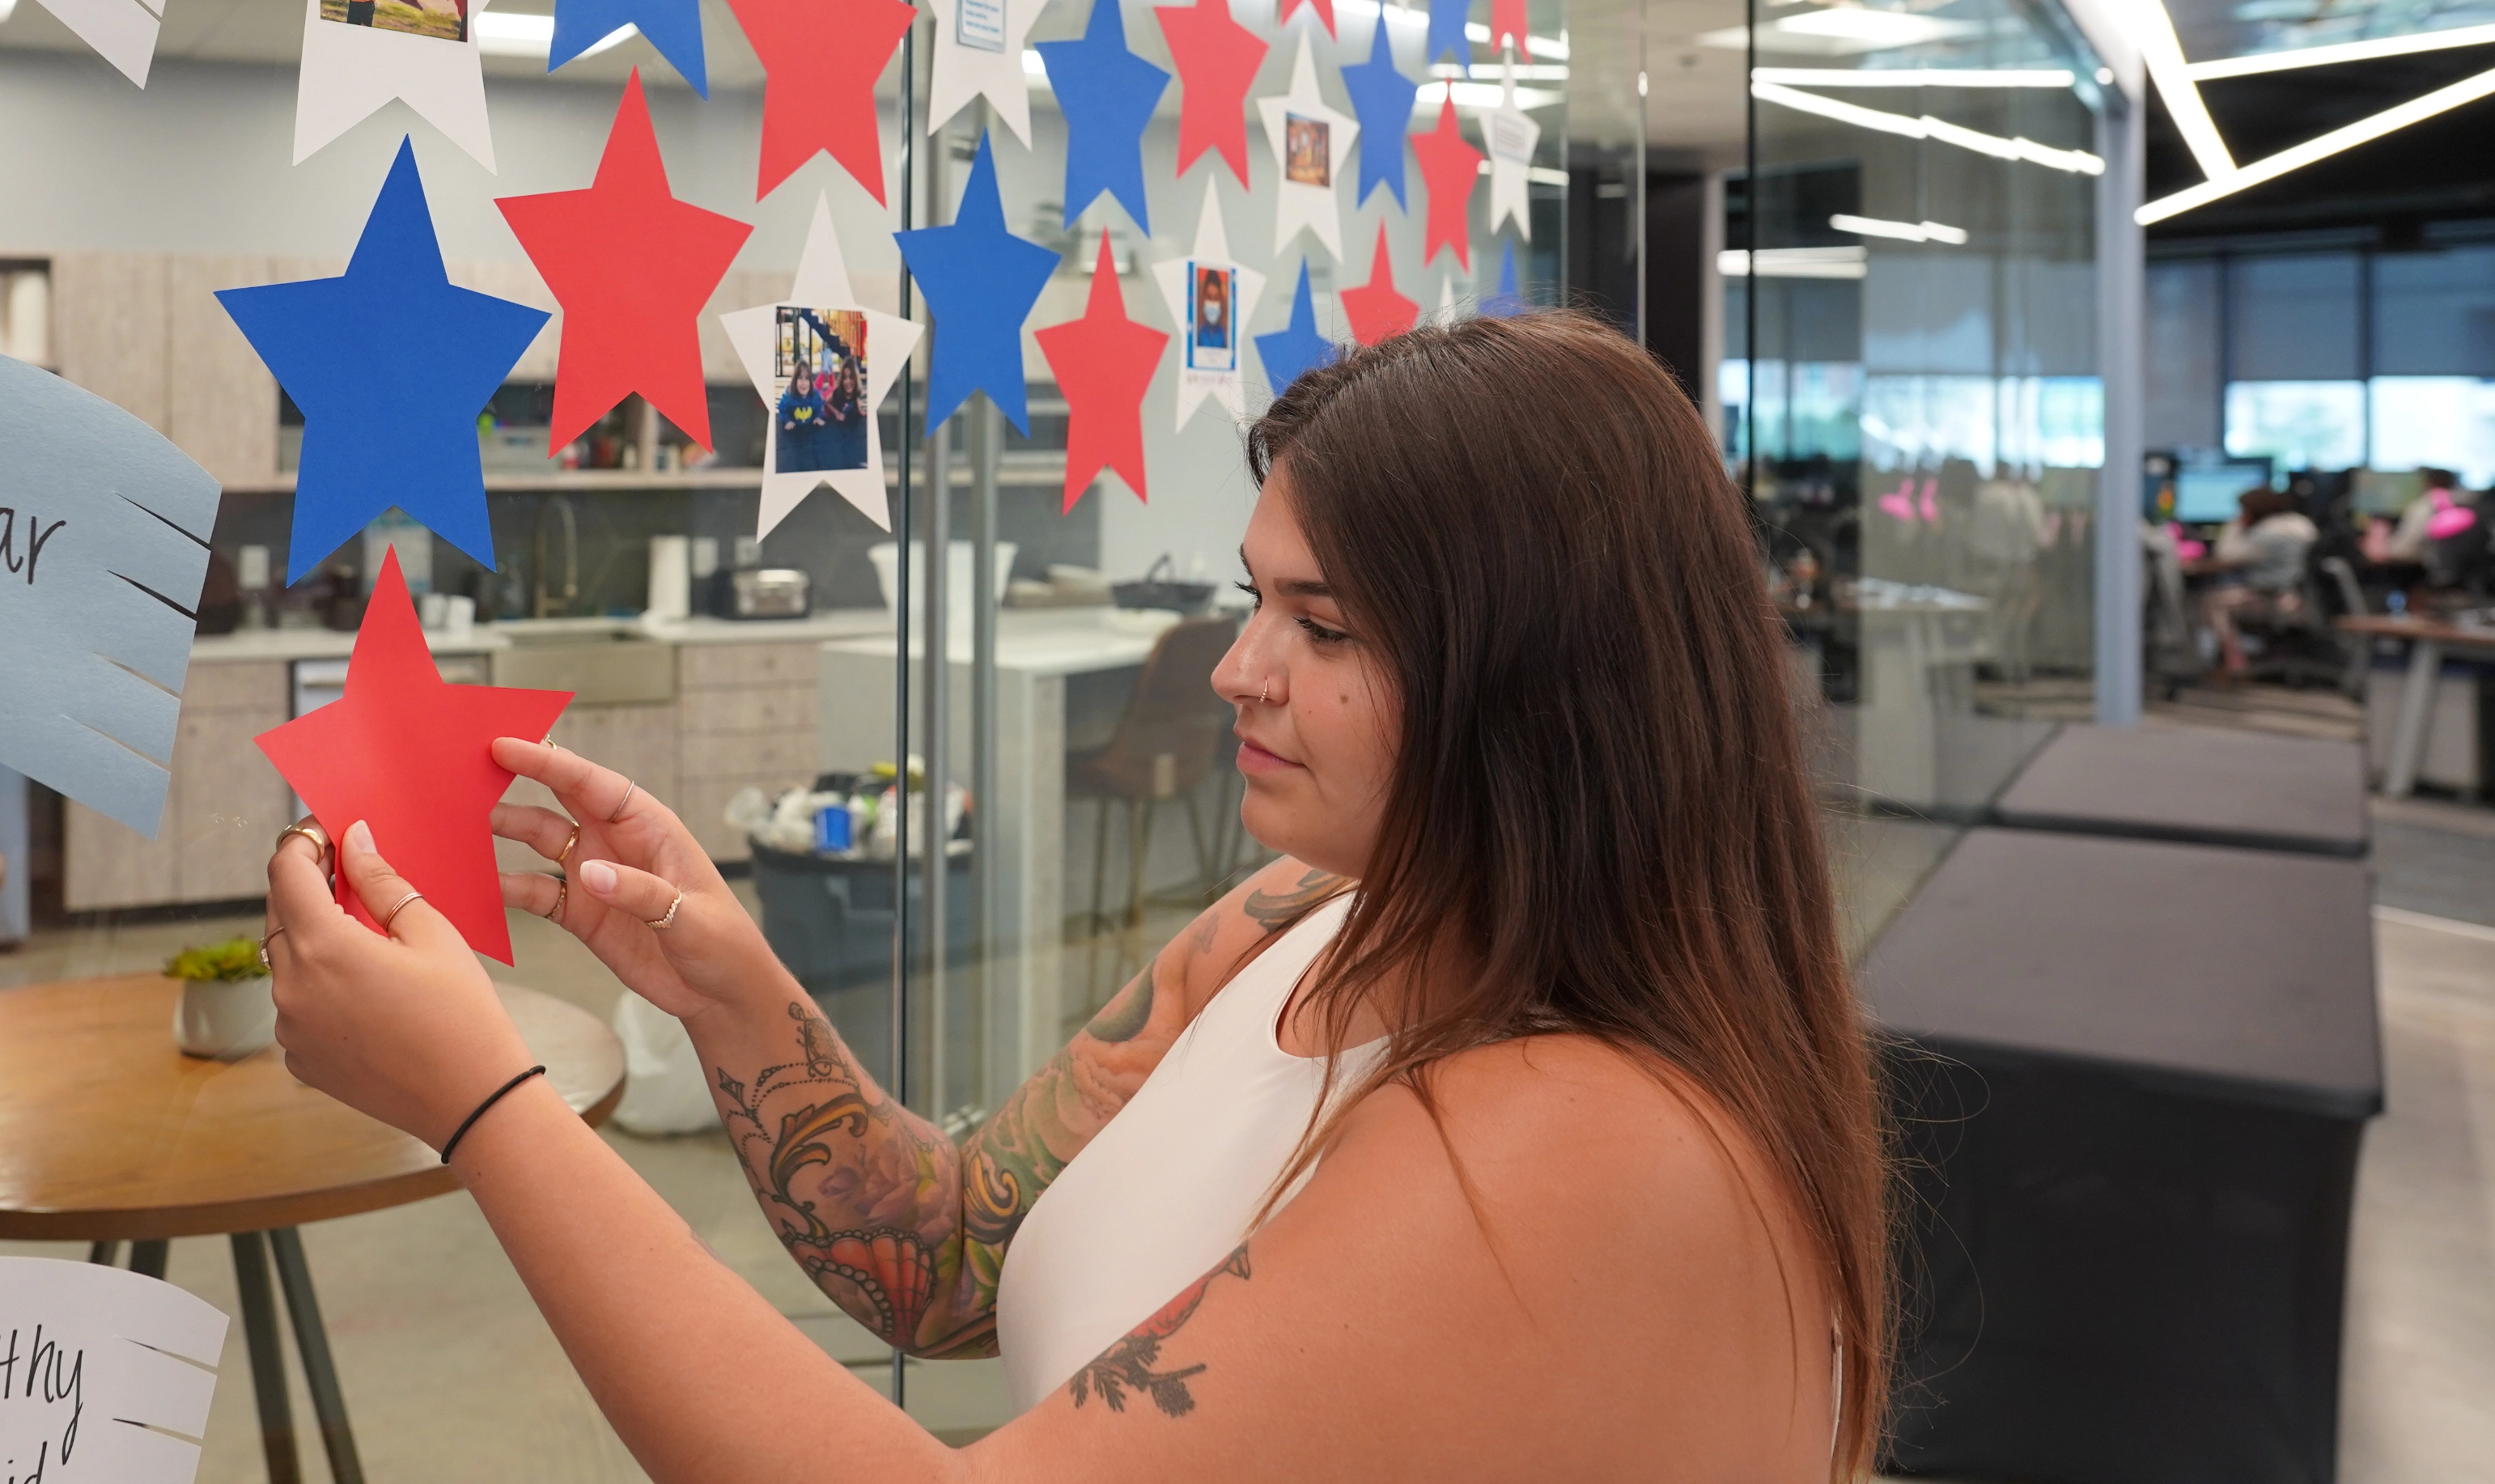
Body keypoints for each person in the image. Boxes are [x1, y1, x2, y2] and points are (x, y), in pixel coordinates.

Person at [256, 312, 1887, 1481]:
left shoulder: (1569, 1137)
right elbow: (955, 1250)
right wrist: (727, 985)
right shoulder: (1287, 923)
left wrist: (484, 1104)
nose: (1238, 672)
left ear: (1536, 684)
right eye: (1254, 602)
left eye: (1322, 631)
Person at [2200, 483, 2319, 676]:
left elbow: (2226, 555)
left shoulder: (2268, 533)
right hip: (2306, 598)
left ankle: (2235, 663)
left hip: (2278, 599)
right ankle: (2269, 651)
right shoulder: (2304, 525)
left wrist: (2235, 525)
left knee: (2213, 602)